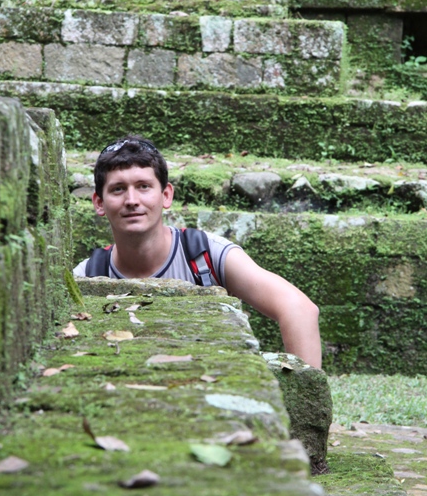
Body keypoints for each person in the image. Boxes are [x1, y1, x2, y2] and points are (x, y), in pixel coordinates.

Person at [73, 135, 322, 368]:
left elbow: (299, 309)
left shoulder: (206, 255)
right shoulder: (88, 275)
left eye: (144, 186)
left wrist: (301, 392)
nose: (131, 200)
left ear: (166, 195)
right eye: (118, 189)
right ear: (99, 203)